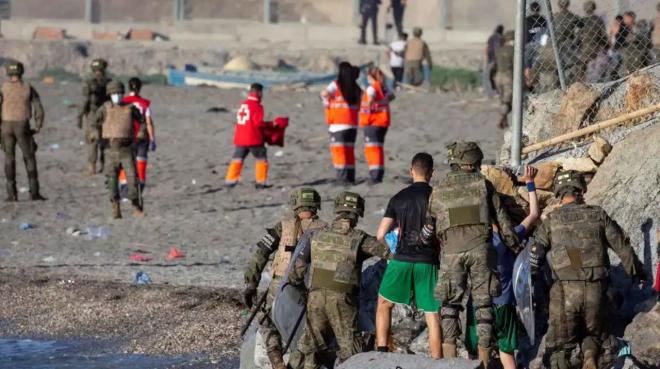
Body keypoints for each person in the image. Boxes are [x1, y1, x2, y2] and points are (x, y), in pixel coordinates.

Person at [529, 170, 646, 369]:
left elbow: (535, 255)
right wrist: (637, 273)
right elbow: (623, 248)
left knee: (559, 348)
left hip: (565, 293)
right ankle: (591, 357)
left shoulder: (551, 221)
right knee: (597, 335)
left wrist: (534, 280)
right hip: (596, 290)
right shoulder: (598, 215)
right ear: (580, 189)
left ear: (558, 192)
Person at [421, 141, 519, 367]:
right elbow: (504, 224)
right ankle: (483, 362)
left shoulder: (440, 189)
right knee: (484, 307)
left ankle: (450, 361)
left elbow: (429, 227)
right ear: (474, 162)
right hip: (481, 251)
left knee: (449, 307)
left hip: (450, 253)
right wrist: (515, 247)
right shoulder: (484, 185)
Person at [289, 191, 391, 369]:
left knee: (311, 345)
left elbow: (298, 268)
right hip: (342, 299)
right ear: (357, 213)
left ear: (337, 210)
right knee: (351, 349)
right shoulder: (359, 238)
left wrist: (298, 286)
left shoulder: (317, 235)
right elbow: (387, 252)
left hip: (316, 297)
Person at [243, 188, 327, 369]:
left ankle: (277, 361)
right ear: (316, 204)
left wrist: (251, 284)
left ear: (295, 204)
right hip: (312, 286)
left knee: (267, 322)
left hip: (280, 284)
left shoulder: (282, 226)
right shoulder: (325, 229)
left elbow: (260, 254)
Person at [466, 166, 541, 369]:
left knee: (478, 355)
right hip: (504, 303)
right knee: (506, 352)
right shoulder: (510, 236)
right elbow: (534, 214)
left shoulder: (471, 239)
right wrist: (530, 183)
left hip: (477, 304)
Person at [374, 153, 442, 358]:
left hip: (401, 260)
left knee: (384, 304)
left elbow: (380, 234)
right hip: (428, 262)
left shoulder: (398, 197)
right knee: (432, 315)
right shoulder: (437, 196)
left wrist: (395, 246)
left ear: (411, 171)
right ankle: (437, 361)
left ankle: (382, 351)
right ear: (432, 173)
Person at [96, 80, 146, 219]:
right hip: (110, 150)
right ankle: (115, 208)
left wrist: (141, 132)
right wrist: (95, 134)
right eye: (114, 93)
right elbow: (94, 122)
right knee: (112, 182)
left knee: (132, 180)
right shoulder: (104, 108)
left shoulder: (130, 108)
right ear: (109, 95)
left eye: (119, 93)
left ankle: (136, 206)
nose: (117, 96)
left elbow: (141, 122)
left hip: (127, 150)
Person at [0, 61, 45, 202]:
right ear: (21, 72)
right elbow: (38, 107)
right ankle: (34, 192)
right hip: (23, 125)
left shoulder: (3, 88)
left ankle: (11, 193)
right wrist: (38, 125)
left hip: (6, 125)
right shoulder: (28, 87)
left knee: (9, 158)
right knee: (29, 157)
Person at [321, 62, 361, 185]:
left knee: (339, 153)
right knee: (349, 152)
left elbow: (324, 93)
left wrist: (327, 101)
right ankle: (350, 177)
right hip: (352, 125)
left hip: (338, 125)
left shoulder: (336, 85)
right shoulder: (357, 88)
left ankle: (342, 178)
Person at [224, 83, 270, 189]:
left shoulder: (243, 104)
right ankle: (260, 183)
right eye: (261, 93)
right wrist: (269, 125)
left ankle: (230, 181)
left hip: (240, 138)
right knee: (261, 159)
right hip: (253, 138)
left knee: (237, 159)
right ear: (258, 93)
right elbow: (258, 123)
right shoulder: (257, 106)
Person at [118, 77, 156, 196]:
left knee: (125, 163)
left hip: (127, 137)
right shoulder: (145, 103)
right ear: (140, 88)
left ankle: (124, 193)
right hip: (141, 137)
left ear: (129, 87)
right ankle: (139, 190)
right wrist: (152, 139)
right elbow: (148, 122)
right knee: (141, 164)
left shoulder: (123, 102)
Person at [359, 67, 395, 184]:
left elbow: (370, 100)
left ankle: (375, 176)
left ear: (370, 77)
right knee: (378, 148)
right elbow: (392, 96)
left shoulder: (372, 88)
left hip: (372, 122)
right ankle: (378, 174)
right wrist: (384, 102)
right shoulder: (384, 87)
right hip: (383, 123)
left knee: (372, 149)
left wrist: (372, 107)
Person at [78, 58, 111, 176]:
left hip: (93, 115)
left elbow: (85, 100)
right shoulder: (109, 82)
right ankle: (105, 166)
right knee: (105, 141)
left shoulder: (89, 82)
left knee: (93, 140)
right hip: (107, 113)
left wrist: (80, 116)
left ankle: (91, 168)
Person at [553, 0, 584, 85]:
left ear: (559, 5)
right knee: (572, 67)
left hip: (557, 45)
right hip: (569, 45)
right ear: (568, 4)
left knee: (559, 68)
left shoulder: (554, 17)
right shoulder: (573, 17)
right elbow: (580, 29)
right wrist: (575, 42)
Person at [577, 1, 608, 82]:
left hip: (584, 51)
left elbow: (577, 39)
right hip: (596, 50)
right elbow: (604, 37)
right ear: (594, 8)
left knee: (581, 73)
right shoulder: (598, 20)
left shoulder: (581, 21)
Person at [494, 30, 514, 129]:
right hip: (508, 76)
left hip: (498, 76)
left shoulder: (499, 50)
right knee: (507, 100)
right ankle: (501, 118)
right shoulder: (513, 50)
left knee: (502, 99)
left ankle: (504, 120)